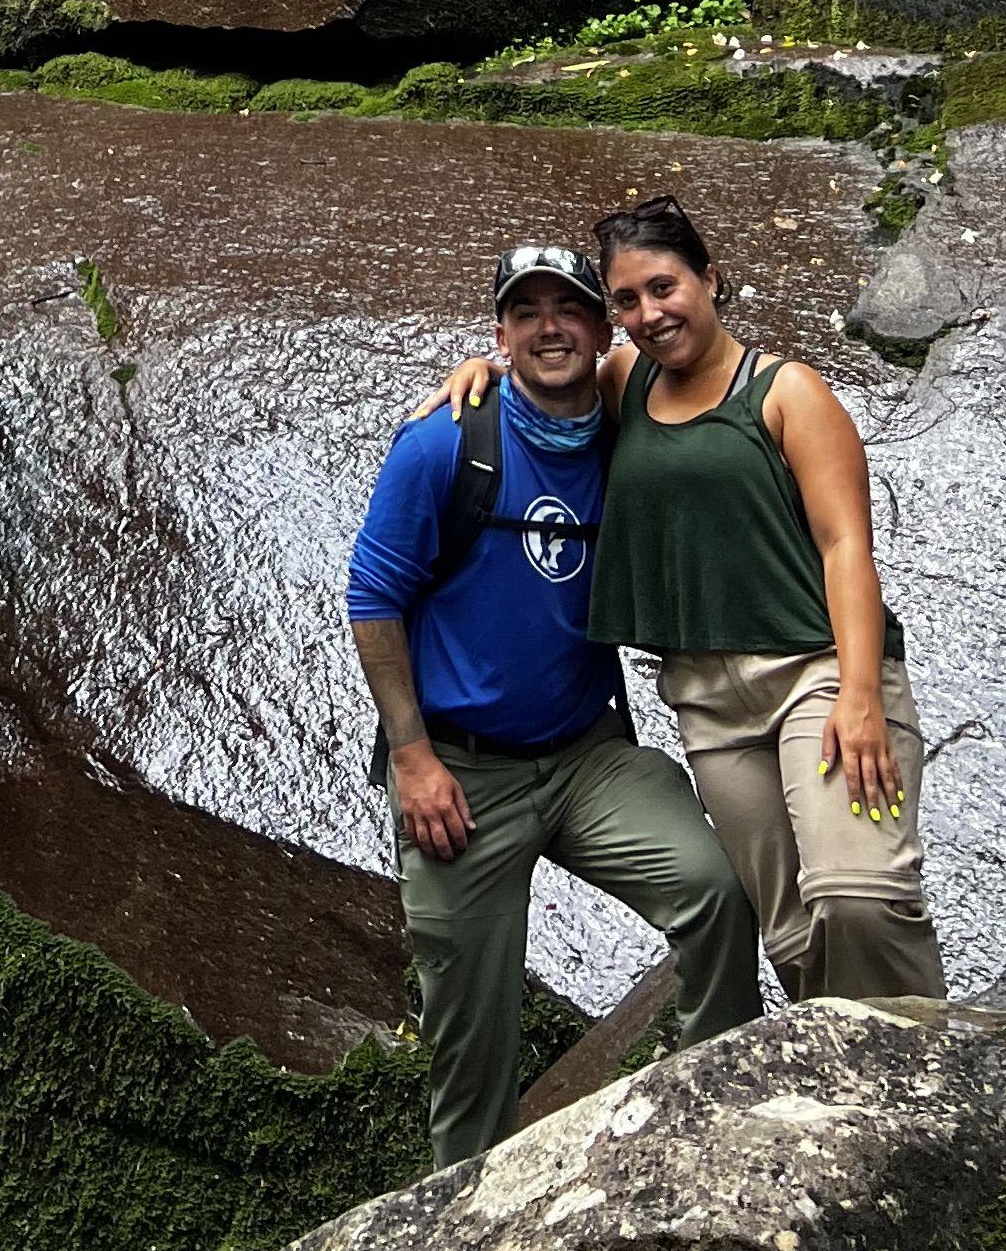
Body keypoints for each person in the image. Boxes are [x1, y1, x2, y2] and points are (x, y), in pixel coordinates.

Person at [435, 192, 947, 1009]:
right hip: (709, 703)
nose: (649, 314)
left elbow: (847, 547)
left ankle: (921, 1059)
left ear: (709, 278)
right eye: (627, 300)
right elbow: (548, 373)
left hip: (817, 672)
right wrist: (483, 371)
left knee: (859, 896)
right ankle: (843, 1065)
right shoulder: (625, 379)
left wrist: (860, 695)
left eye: (663, 288)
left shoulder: (787, 392)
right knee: (790, 932)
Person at [346, 240, 764, 1177]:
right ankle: (469, 1204)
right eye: (525, 313)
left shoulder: (628, 430)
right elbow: (372, 597)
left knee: (715, 890)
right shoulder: (444, 443)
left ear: (602, 327)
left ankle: (711, 1120)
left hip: (587, 757)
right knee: (470, 1040)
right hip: (461, 775)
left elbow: (708, 383)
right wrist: (411, 757)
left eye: (569, 308)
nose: (549, 329)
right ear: (500, 335)